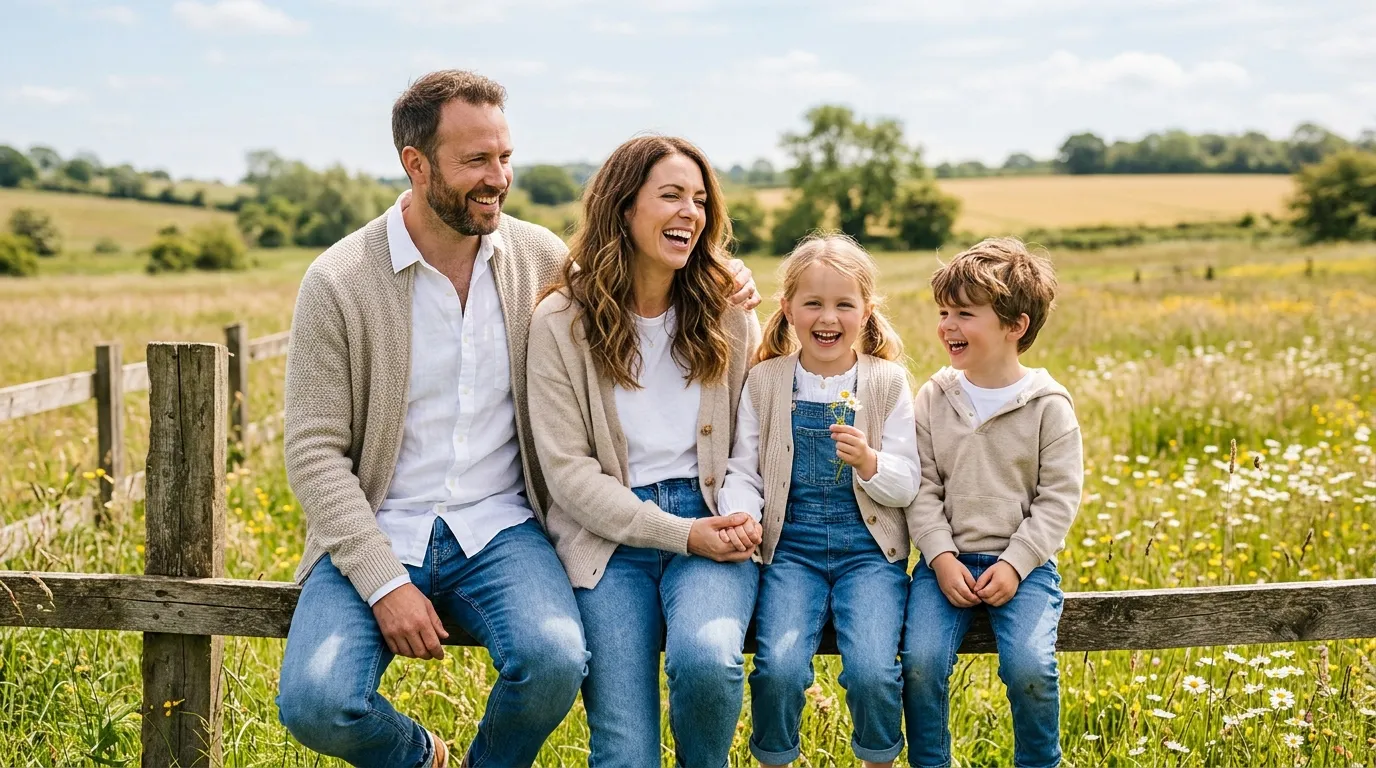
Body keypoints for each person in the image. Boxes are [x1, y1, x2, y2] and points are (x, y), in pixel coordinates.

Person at [275, 70, 760, 768]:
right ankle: (425, 758)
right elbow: (315, 455)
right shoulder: (339, 280)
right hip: (383, 527)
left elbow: (638, 276)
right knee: (317, 703)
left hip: (501, 527)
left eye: (504, 157)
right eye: (476, 160)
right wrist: (384, 583)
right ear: (415, 164)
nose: (497, 177)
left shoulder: (539, 260)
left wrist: (724, 277)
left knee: (556, 660)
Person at [526, 135, 763, 767]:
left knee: (709, 662)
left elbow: (756, 436)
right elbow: (569, 475)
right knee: (626, 751)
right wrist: (681, 535)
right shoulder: (560, 322)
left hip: (713, 513)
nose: (691, 211)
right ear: (625, 208)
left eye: (700, 200)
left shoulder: (729, 313)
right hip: (607, 539)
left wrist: (733, 517)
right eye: (671, 196)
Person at [718, 233, 919, 767]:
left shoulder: (887, 383)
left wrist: (870, 463)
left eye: (843, 305)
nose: (827, 317)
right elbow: (743, 468)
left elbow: (908, 483)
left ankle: (878, 756)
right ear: (786, 310)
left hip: (870, 555)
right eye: (813, 303)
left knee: (875, 669)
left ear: (866, 312)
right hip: (791, 552)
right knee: (778, 667)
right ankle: (775, 756)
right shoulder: (766, 382)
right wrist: (743, 513)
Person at [901, 237, 1083, 768]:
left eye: (964, 313)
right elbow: (922, 486)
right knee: (920, 662)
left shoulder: (1049, 406)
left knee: (1029, 666)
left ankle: (1039, 761)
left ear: (1015, 325)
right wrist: (938, 555)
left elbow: (1058, 499)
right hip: (945, 568)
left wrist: (1017, 562)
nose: (947, 326)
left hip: (1025, 570)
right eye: (943, 312)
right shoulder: (934, 396)